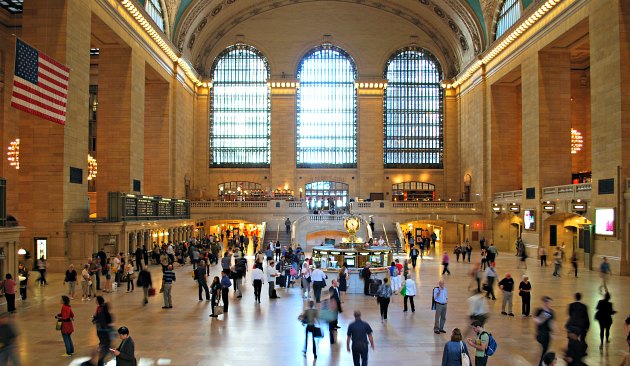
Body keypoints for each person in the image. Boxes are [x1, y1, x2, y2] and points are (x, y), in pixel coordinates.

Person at [93, 296, 113, 366]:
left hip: (102, 331)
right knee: (106, 345)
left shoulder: (100, 309)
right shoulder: (101, 308)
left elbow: (102, 320)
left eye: (96, 300)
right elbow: (106, 320)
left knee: (105, 345)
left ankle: (101, 361)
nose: (95, 301)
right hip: (103, 331)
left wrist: (95, 319)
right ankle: (101, 361)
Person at [534, 296, 555, 365]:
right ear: (543, 302)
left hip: (547, 334)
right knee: (544, 349)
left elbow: (552, 323)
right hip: (541, 333)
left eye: (549, 303)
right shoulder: (539, 311)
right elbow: (537, 321)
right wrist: (544, 315)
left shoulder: (551, 312)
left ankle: (542, 363)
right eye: (547, 302)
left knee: (545, 349)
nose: (548, 304)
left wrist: (553, 333)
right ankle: (541, 363)